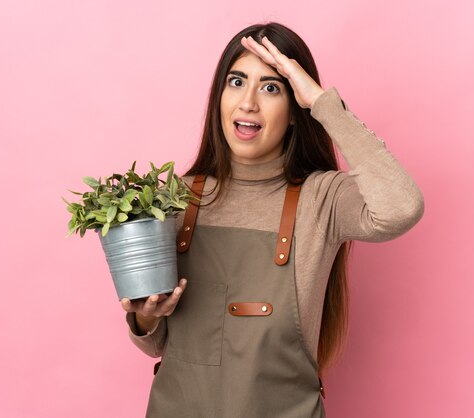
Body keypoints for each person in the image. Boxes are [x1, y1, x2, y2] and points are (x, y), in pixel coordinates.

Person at [120, 22, 424, 417]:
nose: (248, 103)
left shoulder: (323, 198)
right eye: (236, 82)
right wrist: (144, 315)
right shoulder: (176, 198)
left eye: (270, 88)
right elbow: (157, 344)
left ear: (296, 111)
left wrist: (322, 103)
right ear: (219, 98)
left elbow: (402, 207)